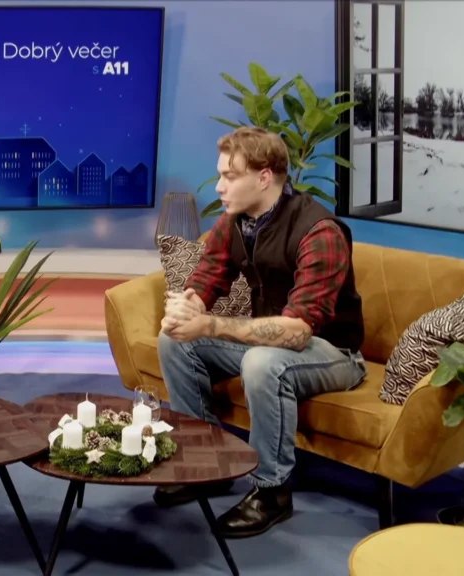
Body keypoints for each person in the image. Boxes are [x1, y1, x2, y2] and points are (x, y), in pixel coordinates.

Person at [155, 127, 367, 538]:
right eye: (221, 175)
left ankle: (271, 492)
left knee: (262, 362)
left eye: (230, 176)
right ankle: (208, 465)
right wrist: (184, 309)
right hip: (269, 346)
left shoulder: (320, 232)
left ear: (265, 177)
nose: (219, 186)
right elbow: (207, 278)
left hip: (334, 353)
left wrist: (211, 324)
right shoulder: (234, 221)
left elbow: (298, 331)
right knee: (176, 341)